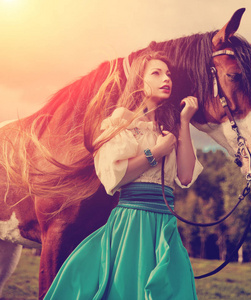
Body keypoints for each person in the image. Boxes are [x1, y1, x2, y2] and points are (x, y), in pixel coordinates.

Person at [43, 51, 203, 300]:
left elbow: (184, 175)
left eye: (168, 74)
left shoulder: (170, 124)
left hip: (164, 224)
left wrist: (184, 121)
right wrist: (156, 152)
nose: (166, 79)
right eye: (156, 73)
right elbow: (116, 175)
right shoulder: (122, 121)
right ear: (140, 81)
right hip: (132, 223)